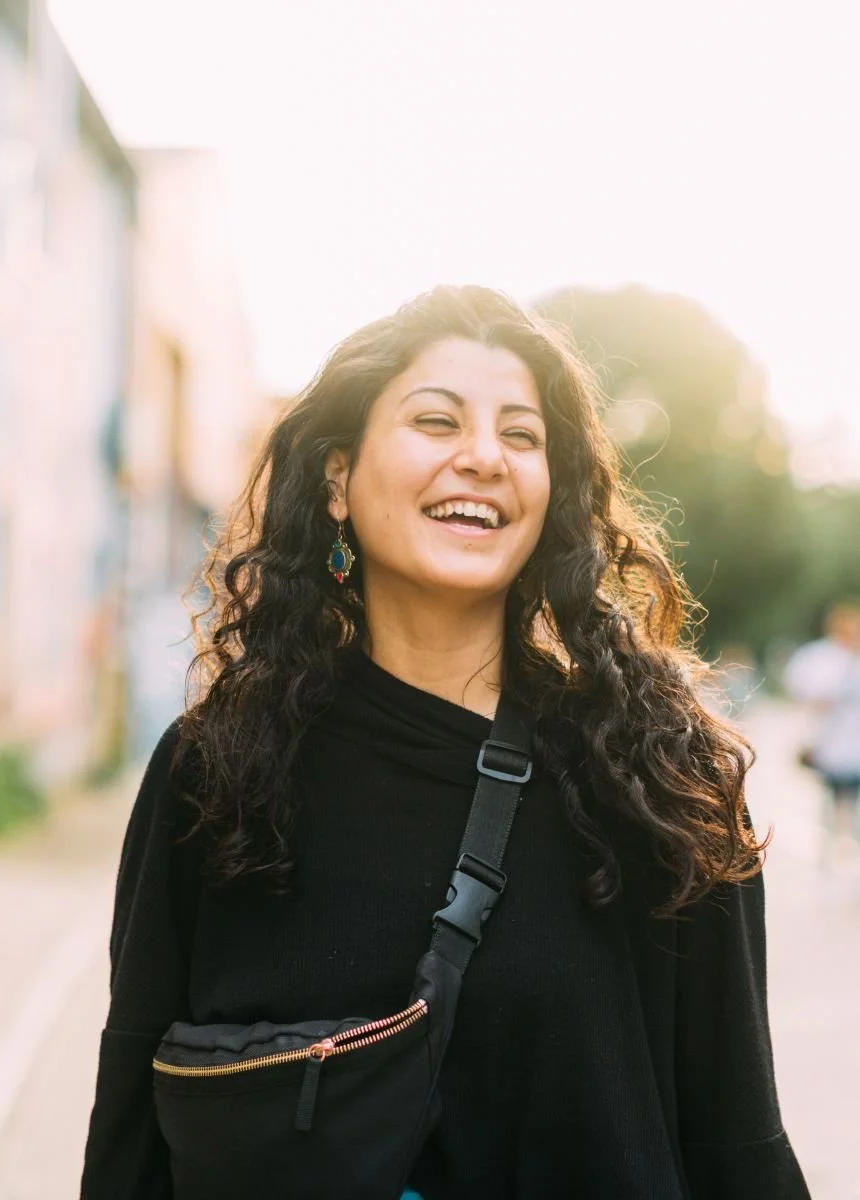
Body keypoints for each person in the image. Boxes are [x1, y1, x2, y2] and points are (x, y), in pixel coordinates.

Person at [81, 285, 809, 1199]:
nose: (482, 458)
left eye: (520, 435)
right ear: (338, 480)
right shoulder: (218, 771)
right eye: (436, 421)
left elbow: (737, 1142)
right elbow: (132, 1135)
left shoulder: (660, 778)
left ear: (555, 494)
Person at [784, 599, 860, 867]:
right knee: (832, 799)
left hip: (854, 743)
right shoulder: (820, 657)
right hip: (831, 743)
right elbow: (804, 690)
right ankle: (827, 854)